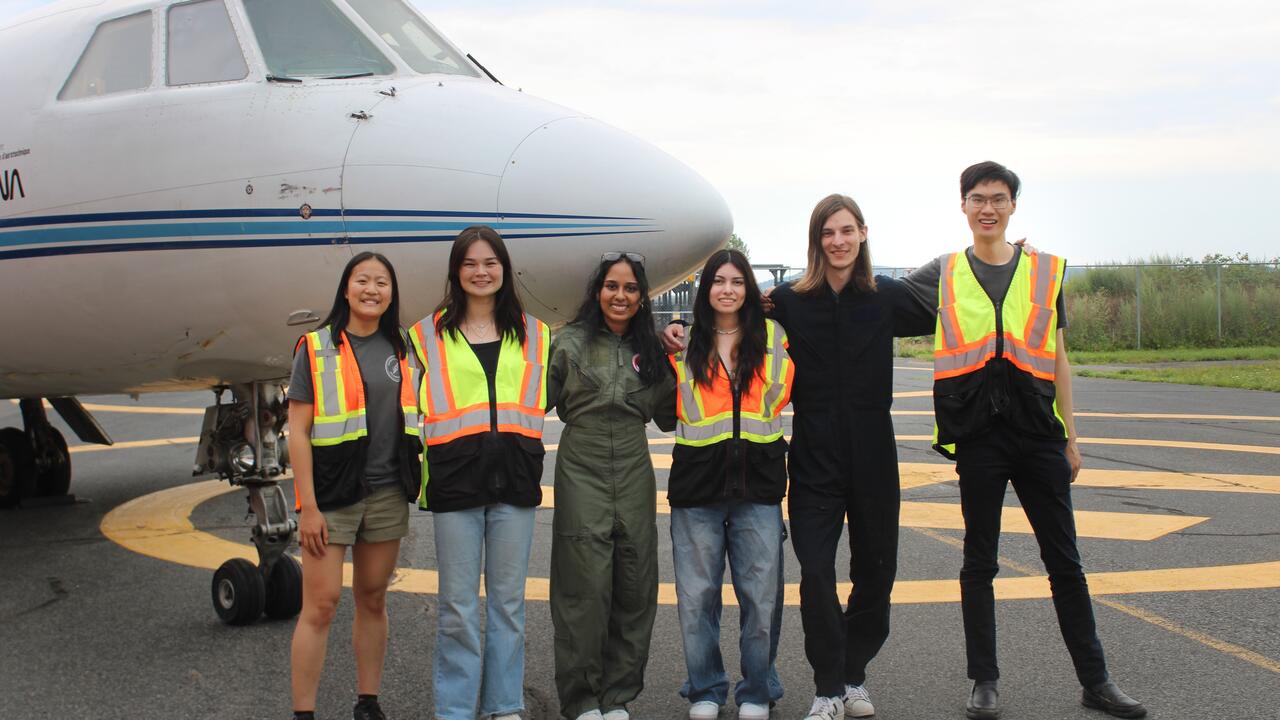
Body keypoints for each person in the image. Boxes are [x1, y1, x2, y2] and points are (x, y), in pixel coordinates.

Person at [663, 195, 935, 720]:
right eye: (827, 232)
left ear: (862, 233)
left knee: (877, 571)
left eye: (846, 230)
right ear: (816, 241)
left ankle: (854, 673)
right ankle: (828, 686)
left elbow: (954, 301)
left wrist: (1001, 256)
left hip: (875, 452)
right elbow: (735, 310)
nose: (837, 241)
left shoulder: (887, 297)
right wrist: (672, 332)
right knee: (815, 571)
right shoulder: (790, 300)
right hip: (814, 455)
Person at [895, 161, 1146, 719]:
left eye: (999, 198)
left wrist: (1071, 437)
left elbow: (1058, 358)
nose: (988, 208)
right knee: (978, 562)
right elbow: (874, 296)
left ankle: (1096, 680)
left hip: (1039, 436)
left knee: (1065, 563)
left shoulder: (1045, 271)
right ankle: (984, 681)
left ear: (1012, 206)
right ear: (962, 206)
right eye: (978, 198)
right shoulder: (942, 271)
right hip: (979, 438)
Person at [407, 226, 551, 720]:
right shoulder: (426, 335)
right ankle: (455, 709)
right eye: (470, 263)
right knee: (457, 607)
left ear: (504, 269)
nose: (481, 272)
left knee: (508, 605)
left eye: (490, 262)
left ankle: (505, 705)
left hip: (515, 482)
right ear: (456, 271)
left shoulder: (537, 333)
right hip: (454, 482)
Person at [287, 252, 423, 720]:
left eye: (381, 282)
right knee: (320, 606)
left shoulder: (402, 347)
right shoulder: (316, 346)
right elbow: (298, 432)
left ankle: (368, 702)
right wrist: (307, 506)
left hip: (386, 493)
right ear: (346, 289)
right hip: (332, 496)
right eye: (362, 280)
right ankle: (303, 712)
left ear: (391, 293)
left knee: (372, 597)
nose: (372, 289)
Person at [546, 251, 678, 720]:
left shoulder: (655, 351)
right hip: (581, 466)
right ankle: (582, 698)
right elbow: (531, 400)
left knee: (635, 581)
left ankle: (617, 696)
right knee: (584, 586)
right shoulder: (569, 344)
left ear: (643, 298)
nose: (620, 296)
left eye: (630, 289)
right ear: (597, 292)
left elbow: (670, 413)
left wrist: (683, 345)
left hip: (634, 465)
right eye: (611, 286)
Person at [666, 250, 794, 720]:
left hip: (758, 488)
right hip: (697, 489)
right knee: (696, 597)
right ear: (706, 290)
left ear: (749, 289)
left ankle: (757, 690)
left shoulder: (775, 338)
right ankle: (704, 687)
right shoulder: (683, 342)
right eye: (718, 281)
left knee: (761, 599)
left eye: (737, 281)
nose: (727, 289)